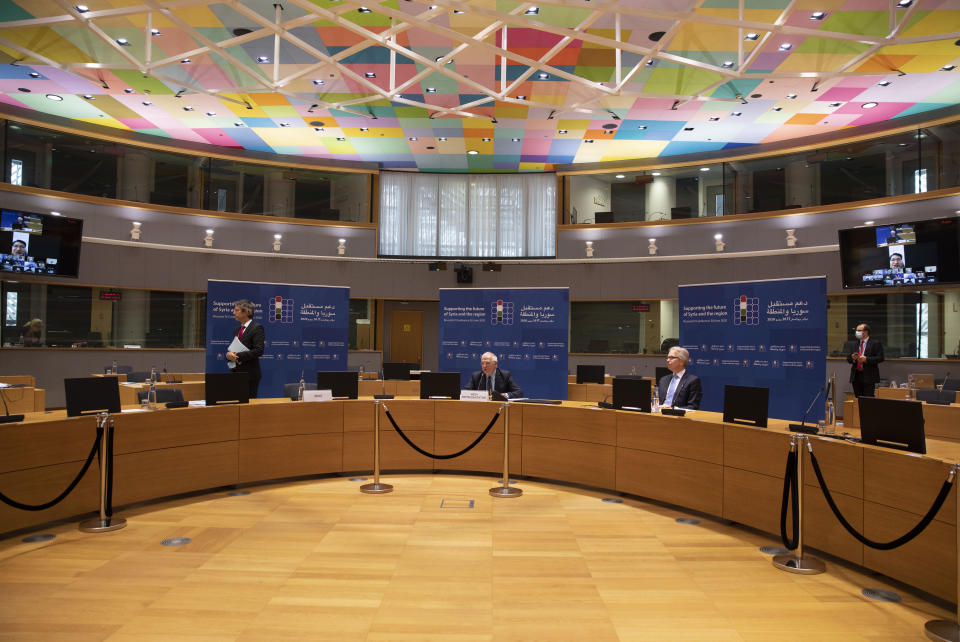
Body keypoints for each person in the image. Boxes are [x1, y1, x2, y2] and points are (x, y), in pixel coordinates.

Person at [226, 299, 264, 398]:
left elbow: (259, 350)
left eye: (237, 310)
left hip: (249, 375)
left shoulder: (257, 328)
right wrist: (229, 355)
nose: (233, 313)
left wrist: (237, 356)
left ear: (246, 312)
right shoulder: (237, 330)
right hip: (235, 373)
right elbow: (233, 350)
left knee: (247, 408)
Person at [657, 346, 702, 410]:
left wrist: (672, 409)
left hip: (679, 417)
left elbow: (692, 407)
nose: (667, 360)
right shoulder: (663, 380)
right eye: (667, 357)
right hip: (659, 415)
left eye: (671, 358)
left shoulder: (692, 381)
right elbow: (658, 401)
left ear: (682, 361)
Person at [846, 323, 884, 398]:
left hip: (869, 376)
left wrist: (866, 359)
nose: (857, 332)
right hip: (856, 376)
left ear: (866, 332)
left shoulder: (875, 343)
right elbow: (848, 359)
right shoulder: (854, 344)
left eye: (859, 330)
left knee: (868, 401)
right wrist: (852, 358)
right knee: (858, 400)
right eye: (856, 330)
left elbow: (880, 358)